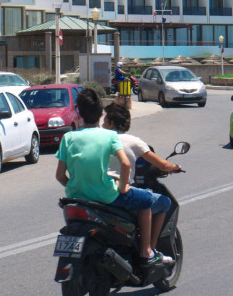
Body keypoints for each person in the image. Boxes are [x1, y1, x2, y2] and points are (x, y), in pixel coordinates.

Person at [55, 88, 164, 266]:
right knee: (146, 201)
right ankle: (146, 251)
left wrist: (75, 186)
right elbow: (125, 164)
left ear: (79, 113)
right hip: (107, 196)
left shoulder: (68, 138)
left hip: (76, 197)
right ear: (101, 114)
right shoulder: (110, 135)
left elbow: (60, 175)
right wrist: (122, 187)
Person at [103, 102, 181, 254]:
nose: (103, 122)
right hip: (118, 192)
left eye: (105, 119)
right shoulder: (133, 141)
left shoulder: (97, 140)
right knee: (162, 202)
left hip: (96, 190)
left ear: (112, 122)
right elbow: (162, 164)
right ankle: (150, 250)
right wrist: (174, 167)